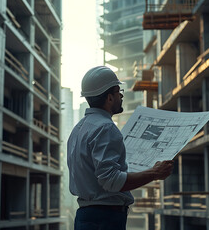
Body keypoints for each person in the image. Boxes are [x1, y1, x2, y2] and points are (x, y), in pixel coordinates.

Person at [67, 66, 174, 230]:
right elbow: (111, 181)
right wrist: (155, 173)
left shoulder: (78, 129)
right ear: (109, 98)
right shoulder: (106, 128)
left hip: (85, 216)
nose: (121, 95)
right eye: (119, 91)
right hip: (105, 219)